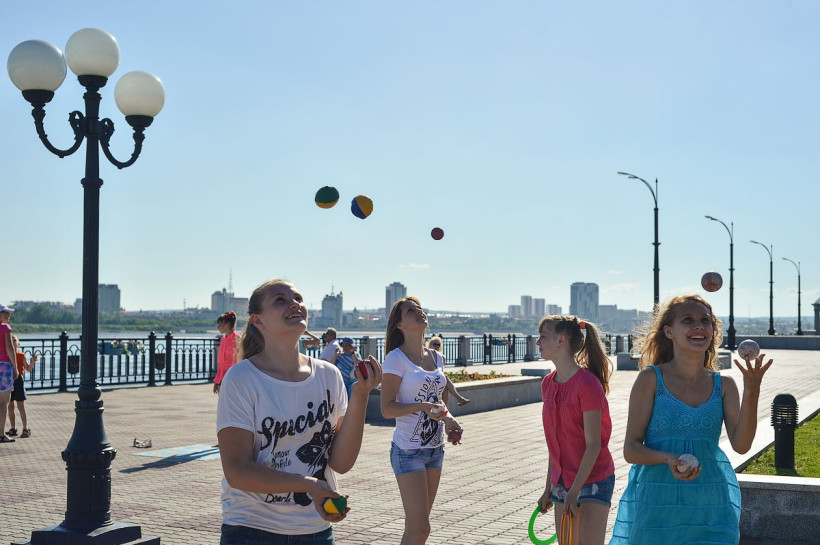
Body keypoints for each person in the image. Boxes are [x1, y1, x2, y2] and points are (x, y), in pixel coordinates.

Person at [217, 279, 382, 544]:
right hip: (252, 529)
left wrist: (360, 395)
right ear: (258, 321)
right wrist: (307, 485)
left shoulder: (329, 375)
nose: (295, 304)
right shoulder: (242, 378)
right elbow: (237, 471)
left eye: (298, 298)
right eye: (280, 300)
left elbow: (341, 463)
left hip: (316, 529)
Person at [609, 295, 773, 544]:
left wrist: (752, 389)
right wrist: (668, 458)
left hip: (711, 505)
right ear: (669, 332)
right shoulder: (650, 379)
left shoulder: (724, 385)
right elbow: (631, 450)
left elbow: (741, 445)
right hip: (657, 505)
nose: (699, 326)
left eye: (705, 321)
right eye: (688, 320)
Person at [380, 297, 463, 545]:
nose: (418, 312)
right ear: (400, 325)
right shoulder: (395, 358)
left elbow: (439, 401)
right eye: (410, 310)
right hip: (408, 451)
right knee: (421, 528)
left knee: (416, 529)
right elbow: (386, 409)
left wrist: (449, 421)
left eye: (419, 308)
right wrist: (422, 407)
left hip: (435, 450)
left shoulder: (436, 358)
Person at [536, 315, 615, 545]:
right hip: (562, 482)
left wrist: (574, 491)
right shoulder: (548, 384)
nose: (538, 342)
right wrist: (549, 488)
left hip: (594, 479)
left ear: (561, 340)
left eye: (543, 337)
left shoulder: (587, 384)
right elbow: (555, 445)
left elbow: (593, 445)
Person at [7, 335, 38, 438]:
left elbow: (28, 369)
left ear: (18, 343)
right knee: (10, 406)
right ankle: (13, 428)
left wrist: (32, 362)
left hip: (18, 381)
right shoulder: (6, 355)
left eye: (15, 340)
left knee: (20, 405)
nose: (13, 342)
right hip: (8, 380)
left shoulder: (21, 355)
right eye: (11, 340)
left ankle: (25, 428)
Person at [426, 336, 469, 406]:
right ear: (430, 344)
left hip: (437, 379)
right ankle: (458, 398)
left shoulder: (442, 357)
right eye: (434, 344)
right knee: (445, 378)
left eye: (438, 344)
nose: (436, 346)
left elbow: (441, 372)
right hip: (428, 378)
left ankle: (444, 408)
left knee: (445, 387)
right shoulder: (426, 356)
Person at [0, 304, 20, 444]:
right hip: (4, 367)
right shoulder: (5, 328)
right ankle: (1, 434)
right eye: (6, 312)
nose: (8, 315)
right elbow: (9, 348)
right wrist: (15, 367)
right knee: (3, 403)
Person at [213, 311, 240, 394]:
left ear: (227, 324)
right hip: (222, 377)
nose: (218, 326)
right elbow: (221, 363)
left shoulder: (238, 339)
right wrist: (217, 381)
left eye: (220, 324)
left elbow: (240, 360)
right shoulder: (223, 339)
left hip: (234, 377)